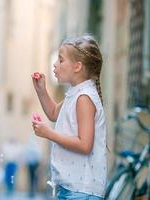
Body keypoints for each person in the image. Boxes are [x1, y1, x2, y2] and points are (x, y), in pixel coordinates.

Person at [31, 35, 107, 200]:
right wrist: (41, 90)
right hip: (72, 188)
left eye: (61, 60)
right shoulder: (75, 94)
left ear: (77, 66)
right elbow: (53, 113)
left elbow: (85, 144)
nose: (55, 64)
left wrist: (48, 133)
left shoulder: (84, 98)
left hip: (82, 190)